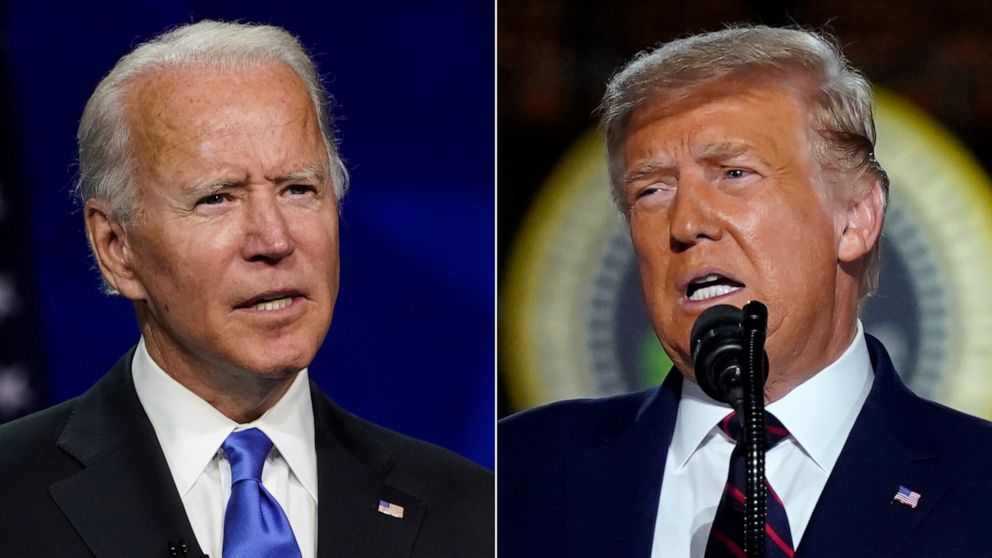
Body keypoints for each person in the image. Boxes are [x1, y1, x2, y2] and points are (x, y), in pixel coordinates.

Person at [0, 20, 492, 558]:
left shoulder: (472, 513)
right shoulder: (12, 497)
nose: (275, 239)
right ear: (117, 248)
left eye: (299, 189)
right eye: (218, 198)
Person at [499, 25, 992, 558]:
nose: (685, 223)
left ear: (855, 217)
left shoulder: (978, 486)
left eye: (734, 172)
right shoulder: (515, 472)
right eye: (652, 190)